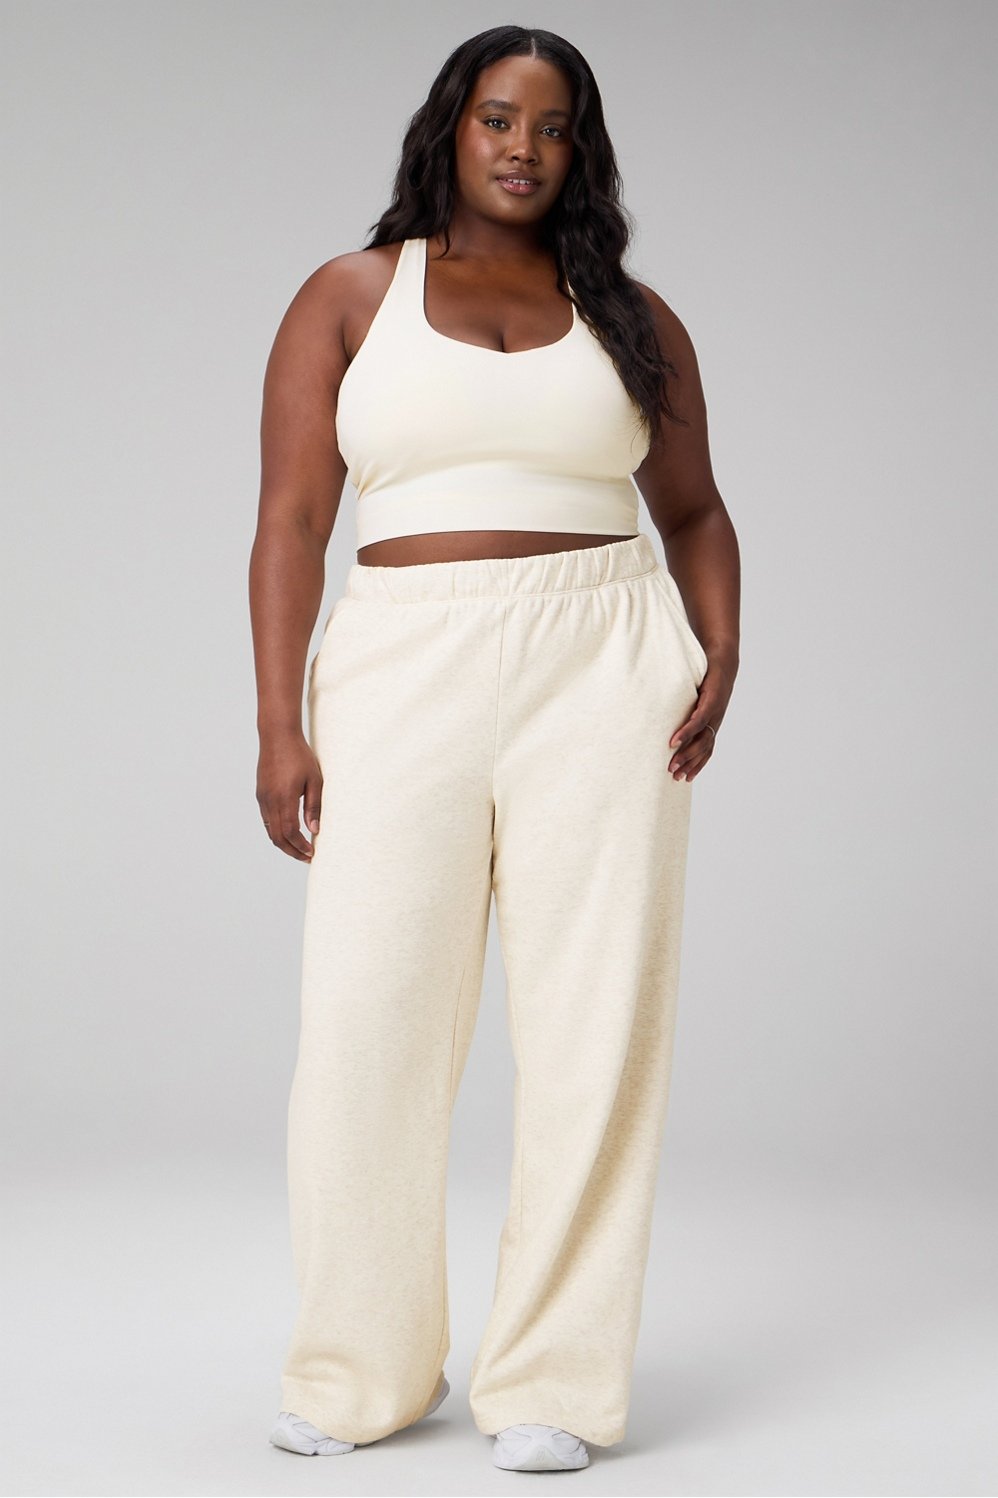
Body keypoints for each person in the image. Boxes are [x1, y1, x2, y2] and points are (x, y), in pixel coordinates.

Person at [249, 24, 740, 1475]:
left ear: (582, 150)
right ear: (448, 130)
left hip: (605, 660)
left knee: (595, 1028)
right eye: (496, 118)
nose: (524, 146)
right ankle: (360, 1370)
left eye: (553, 124)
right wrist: (278, 720)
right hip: (402, 659)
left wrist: (720, 648)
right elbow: (291, 520)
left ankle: (555, 1384)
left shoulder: (630, 314)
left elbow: (695, 508)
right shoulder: (352, 295)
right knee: (367, 1025)